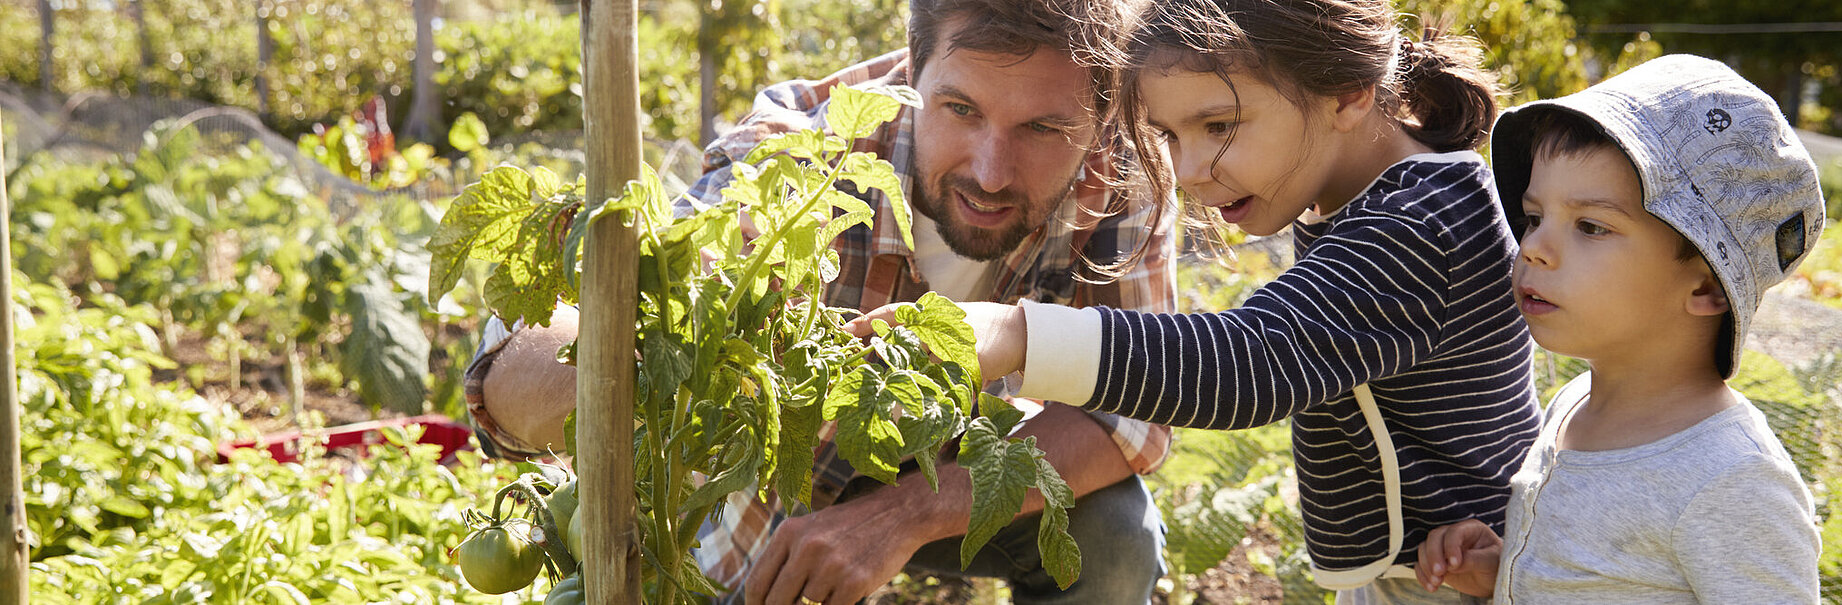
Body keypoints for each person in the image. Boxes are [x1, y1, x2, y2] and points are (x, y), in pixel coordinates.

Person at [461, 1, 1180, 603]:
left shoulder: (1125, 178)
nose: (991, 171)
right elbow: (521, 367)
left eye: (1043, 129)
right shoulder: (808, 149)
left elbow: (1137, 412)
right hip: (760, 483)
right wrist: (668, 341)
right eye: (960, 108)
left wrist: (904, 513)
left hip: (937, 462)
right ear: (912, 68)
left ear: (1101, 112)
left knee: (1112, 531)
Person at [857, 1, 1542, 602]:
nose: (1188, 172)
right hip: (1440, 565)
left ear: (1347, 92)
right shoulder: (1371, 201)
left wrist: (1018, 336)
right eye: (1171, 135)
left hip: (1480, 572)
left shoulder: (1420, 227)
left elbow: (1252, 360)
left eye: (1219, 126)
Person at [1412, 54, 1824, 603]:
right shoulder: (1574, 404)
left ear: (1707, 287)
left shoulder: (1731, 480)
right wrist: (1508, 568)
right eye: (1535, 218)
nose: (1532, 247)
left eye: (1590, 226)